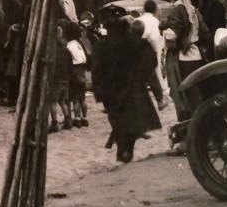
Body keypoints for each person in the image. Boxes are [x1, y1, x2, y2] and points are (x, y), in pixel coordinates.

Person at [91, 9, 161, 163]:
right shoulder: (135, 41)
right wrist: (140, 77)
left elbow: (96, 71)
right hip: (132, 87)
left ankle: (123, 153)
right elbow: (151, 60)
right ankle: (125, 151)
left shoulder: (101, 45)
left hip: (111, 91)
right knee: (131, 121)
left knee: (118, 121)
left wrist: (99, 93)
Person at [161, 0, 207, 124]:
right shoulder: (193, 9)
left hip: (182, 59)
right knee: (197, 96)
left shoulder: (175, 9)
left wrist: (166, 35)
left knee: (184, 97)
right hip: (198, 56)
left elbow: (174, 33)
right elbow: (205, 32)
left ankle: (189, 127)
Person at [130, 17, 166, 110]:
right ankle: (159, 101)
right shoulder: (145, 41)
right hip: (147, 69)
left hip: (135, 71)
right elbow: (152, 55)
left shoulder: (129, 43)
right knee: (154, 80)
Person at [62, 20, 89, 127]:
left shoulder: (68, 46)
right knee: (82, 98)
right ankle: (84, 118)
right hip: (82, 70)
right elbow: (85, 58)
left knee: (75, 98)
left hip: (74, 70)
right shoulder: (79, 44)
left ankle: (77, 118)